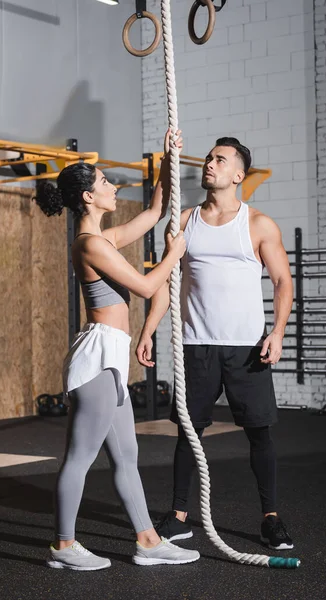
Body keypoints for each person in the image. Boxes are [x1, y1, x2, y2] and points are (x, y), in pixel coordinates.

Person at [34, 130, 200, 571]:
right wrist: (172, 254)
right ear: (89, 196)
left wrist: (169, 158)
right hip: (98, 357)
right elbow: (148, 286)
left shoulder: (105, 239)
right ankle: (63, 548)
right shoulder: (90, 245)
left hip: (112, 354)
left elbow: (155, 210)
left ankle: (147, 541)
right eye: (106, 182)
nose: (113, 187)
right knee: (80, 457)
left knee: (127, 455)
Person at [136, 137, 295, 551]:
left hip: (247, 348)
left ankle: (271, 518)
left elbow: (282, 282)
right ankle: (179, 516)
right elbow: (167, 282)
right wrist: (149, 329)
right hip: (196, 346)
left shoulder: (258, 224)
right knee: (190, 433)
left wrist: (277, 332)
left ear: (238, 174)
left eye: (219, 160)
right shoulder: (185, 221)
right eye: (208, 158)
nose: (209, 163)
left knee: (260, 434)